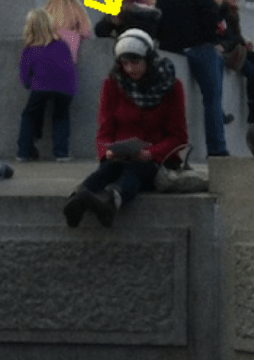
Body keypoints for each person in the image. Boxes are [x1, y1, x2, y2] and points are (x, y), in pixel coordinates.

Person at [63, 29, 188, 228]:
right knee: (106, 171)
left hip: (156, 160)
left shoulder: (172, 86)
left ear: (149, 59)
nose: (130, 69)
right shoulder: (113, 84)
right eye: (125, 63)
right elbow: (105, 129)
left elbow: (178, 136)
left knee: (135, 171)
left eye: (135, 62)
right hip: (119, 155)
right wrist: (107, 151)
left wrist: (151, 153)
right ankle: (76, 201)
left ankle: (110, 203)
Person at [156, 0, 229, 156]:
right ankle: (217, 149)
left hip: (173, 49)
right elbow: (210, 14)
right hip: (200, 47)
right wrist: (212, 39)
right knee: (213, 99)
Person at [16, 8, 78, 162]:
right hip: (66, 87)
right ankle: (61, 153)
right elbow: (69, 67)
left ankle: (24, 151)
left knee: (29, 115)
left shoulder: (30, 49)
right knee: (61, 116)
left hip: (41, 86)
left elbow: (25, 75)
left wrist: (29, 85)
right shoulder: (62, 45)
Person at [44, 0, 91, 64]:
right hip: (70, 58)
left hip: (48, 58)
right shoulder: (77, 10)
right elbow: (85, 32)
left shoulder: (46, 11)